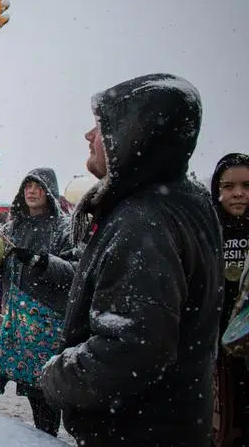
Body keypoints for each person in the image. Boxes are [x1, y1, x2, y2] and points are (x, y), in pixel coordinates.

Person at [39, 73, 222, 446]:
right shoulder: (184, 200)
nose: (89, 136)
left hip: (137, 433)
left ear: (134, 134)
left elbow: (132, 348)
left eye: (100, 125)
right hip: (174, 424)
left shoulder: (143, 221)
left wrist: (55, 377)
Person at [0, 167, 77, 437]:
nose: (31, 191)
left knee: (50, 389)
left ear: (49, 191)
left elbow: (76, 271)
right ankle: (44, 435)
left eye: (38, 186)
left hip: (50, 321)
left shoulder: (64, 228)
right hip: (21, 322)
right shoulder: (14, 226)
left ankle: (47, 436)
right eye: (27, 185)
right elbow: (4, 267)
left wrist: (41, 261)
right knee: (32, 389)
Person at [210, 153, 249, 447]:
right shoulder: (208, 231)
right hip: (217, 346)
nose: (238, 193)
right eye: (229, 186)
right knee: (223, 422)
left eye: (247, 186)